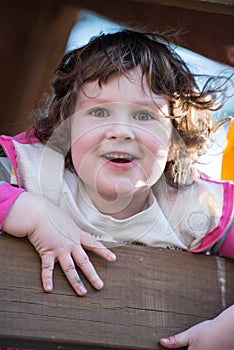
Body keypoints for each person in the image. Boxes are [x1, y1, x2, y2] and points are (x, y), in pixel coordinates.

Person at [0, 29, 233, 349]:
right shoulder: (30, 171)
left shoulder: (197, 206)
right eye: (98, 112)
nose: (122, 131)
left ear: (175, 136)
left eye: (143, 115)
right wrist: (28, 210)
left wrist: (228, 328)